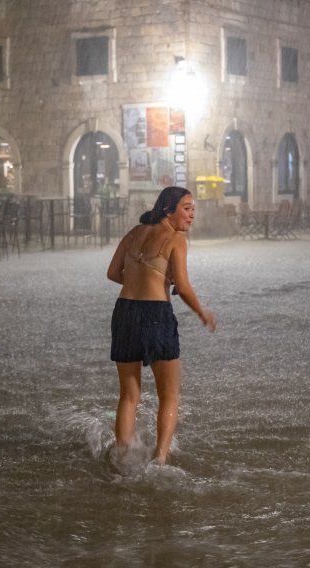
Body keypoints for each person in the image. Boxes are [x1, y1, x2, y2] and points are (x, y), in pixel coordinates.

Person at [107, 186, 216, 466]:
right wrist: (202, 313)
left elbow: (112, 272)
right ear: (169, 210)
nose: (192, 215)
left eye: (193, 209)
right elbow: (183, 286)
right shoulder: (175, 239)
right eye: (187, 208)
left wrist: (140, 280)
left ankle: (121, 458)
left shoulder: (134, 232)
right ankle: (160, 459)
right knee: (169, 395)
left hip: (124, 312)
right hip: (156, 314)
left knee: (129, 395)